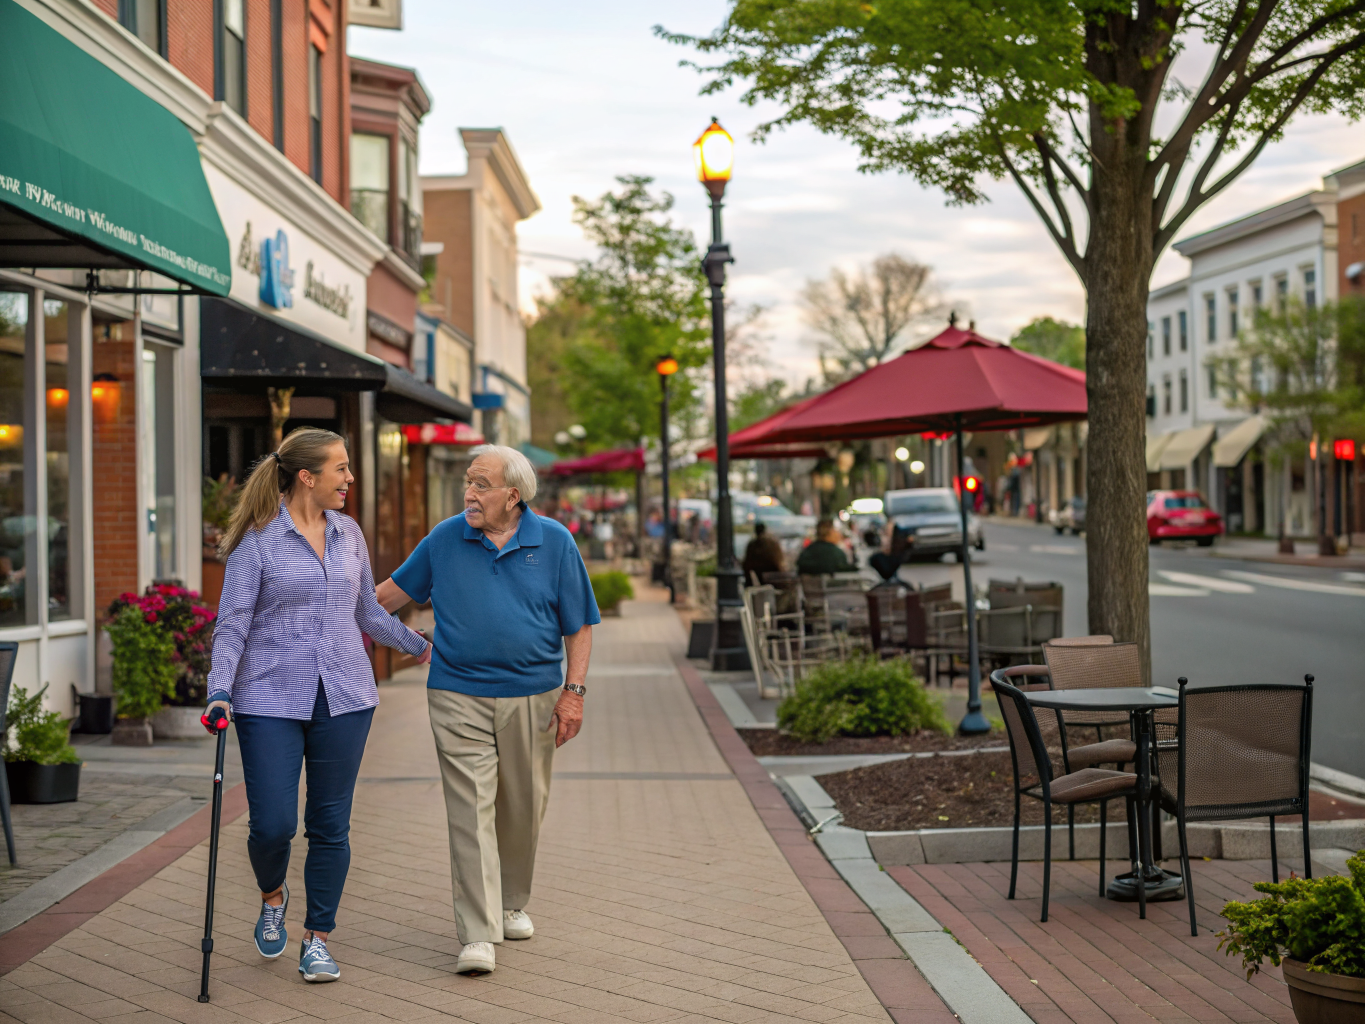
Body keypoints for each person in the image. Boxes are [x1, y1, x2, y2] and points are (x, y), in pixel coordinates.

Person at [204, 428, 431, 984]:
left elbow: (368, 614)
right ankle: (273, 895)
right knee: (273, 825)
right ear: (307, 477)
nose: (350, 479)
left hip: (347, 696)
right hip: (269, 699)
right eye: (342, 470)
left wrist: (424, 646)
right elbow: (233, 622)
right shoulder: (258, 538)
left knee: (330, 825)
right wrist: (219, 691)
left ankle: (317, 939)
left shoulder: (349, 533)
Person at [375, 445, 599, 977]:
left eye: (480, 484)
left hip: (535, 694)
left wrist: (575, 692)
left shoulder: (556, 542)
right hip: (457, 693)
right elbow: (383, 598)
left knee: (523, 806)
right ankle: (477, 933)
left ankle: (510, 902)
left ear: (512, 495)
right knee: (470, 810)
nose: (468, 493)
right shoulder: (447, 537)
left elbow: (579, 625)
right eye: (467, 483)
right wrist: (398, 637)